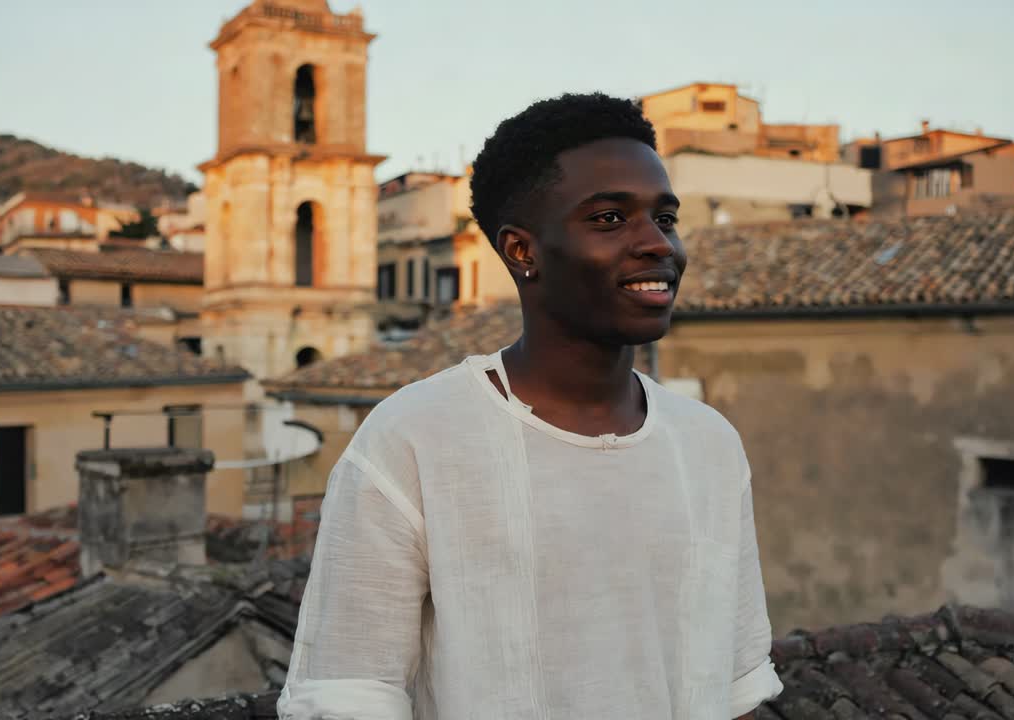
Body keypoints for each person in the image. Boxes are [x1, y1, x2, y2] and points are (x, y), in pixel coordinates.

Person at [278, 92, 783, 719]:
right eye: (608, 219)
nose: (658, 244)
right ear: (522, 251)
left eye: (665, 218)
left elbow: (734, 684)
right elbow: (349, 693)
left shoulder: (708, 444)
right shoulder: (415, 438)